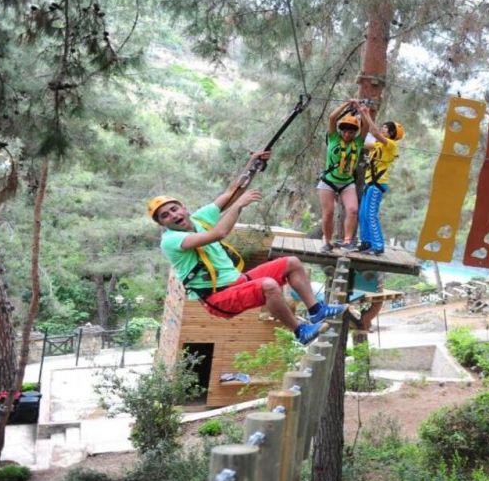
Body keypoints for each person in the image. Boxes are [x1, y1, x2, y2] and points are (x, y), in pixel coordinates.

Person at [148, 151, 358, 345]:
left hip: (237, 281)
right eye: (165, 215)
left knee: (292, 263)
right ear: (161, 224)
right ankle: (300, 331)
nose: (173, 215)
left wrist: (253, 164)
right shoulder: (171, 241)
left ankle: (316, 310)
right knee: (269, 285)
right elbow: (218, 233)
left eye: (174, 209)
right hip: (217, 297)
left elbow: (232, 192)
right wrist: (238, 205)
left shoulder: (199, 219)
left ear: (183, 208)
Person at [356, 101, 404, 256]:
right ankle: (366, 242)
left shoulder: (391, 145)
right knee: (363, 214)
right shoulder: (377, 145)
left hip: (378, 184)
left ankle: (378, 246)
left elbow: (375, 132)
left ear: (391, 133)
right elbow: (366, 138)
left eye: (385, 128)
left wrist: (366, 114)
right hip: (370, 184)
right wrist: (361, 115)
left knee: (371, 215)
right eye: (382, 127)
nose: (382, 129)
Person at [319, 100, 365, 252]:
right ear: (340, 131)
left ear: (355, 133)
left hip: (347, 182)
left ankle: (347, 242)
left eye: (351, 132)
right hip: (329, 181)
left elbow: (367, 126)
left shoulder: (358, 142)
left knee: (352, 210)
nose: (347, 134)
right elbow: (332, 118)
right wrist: (347, 104)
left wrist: (361, 110)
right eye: (344, 131)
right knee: (328, 213)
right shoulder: (333, 138)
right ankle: (327, 242)